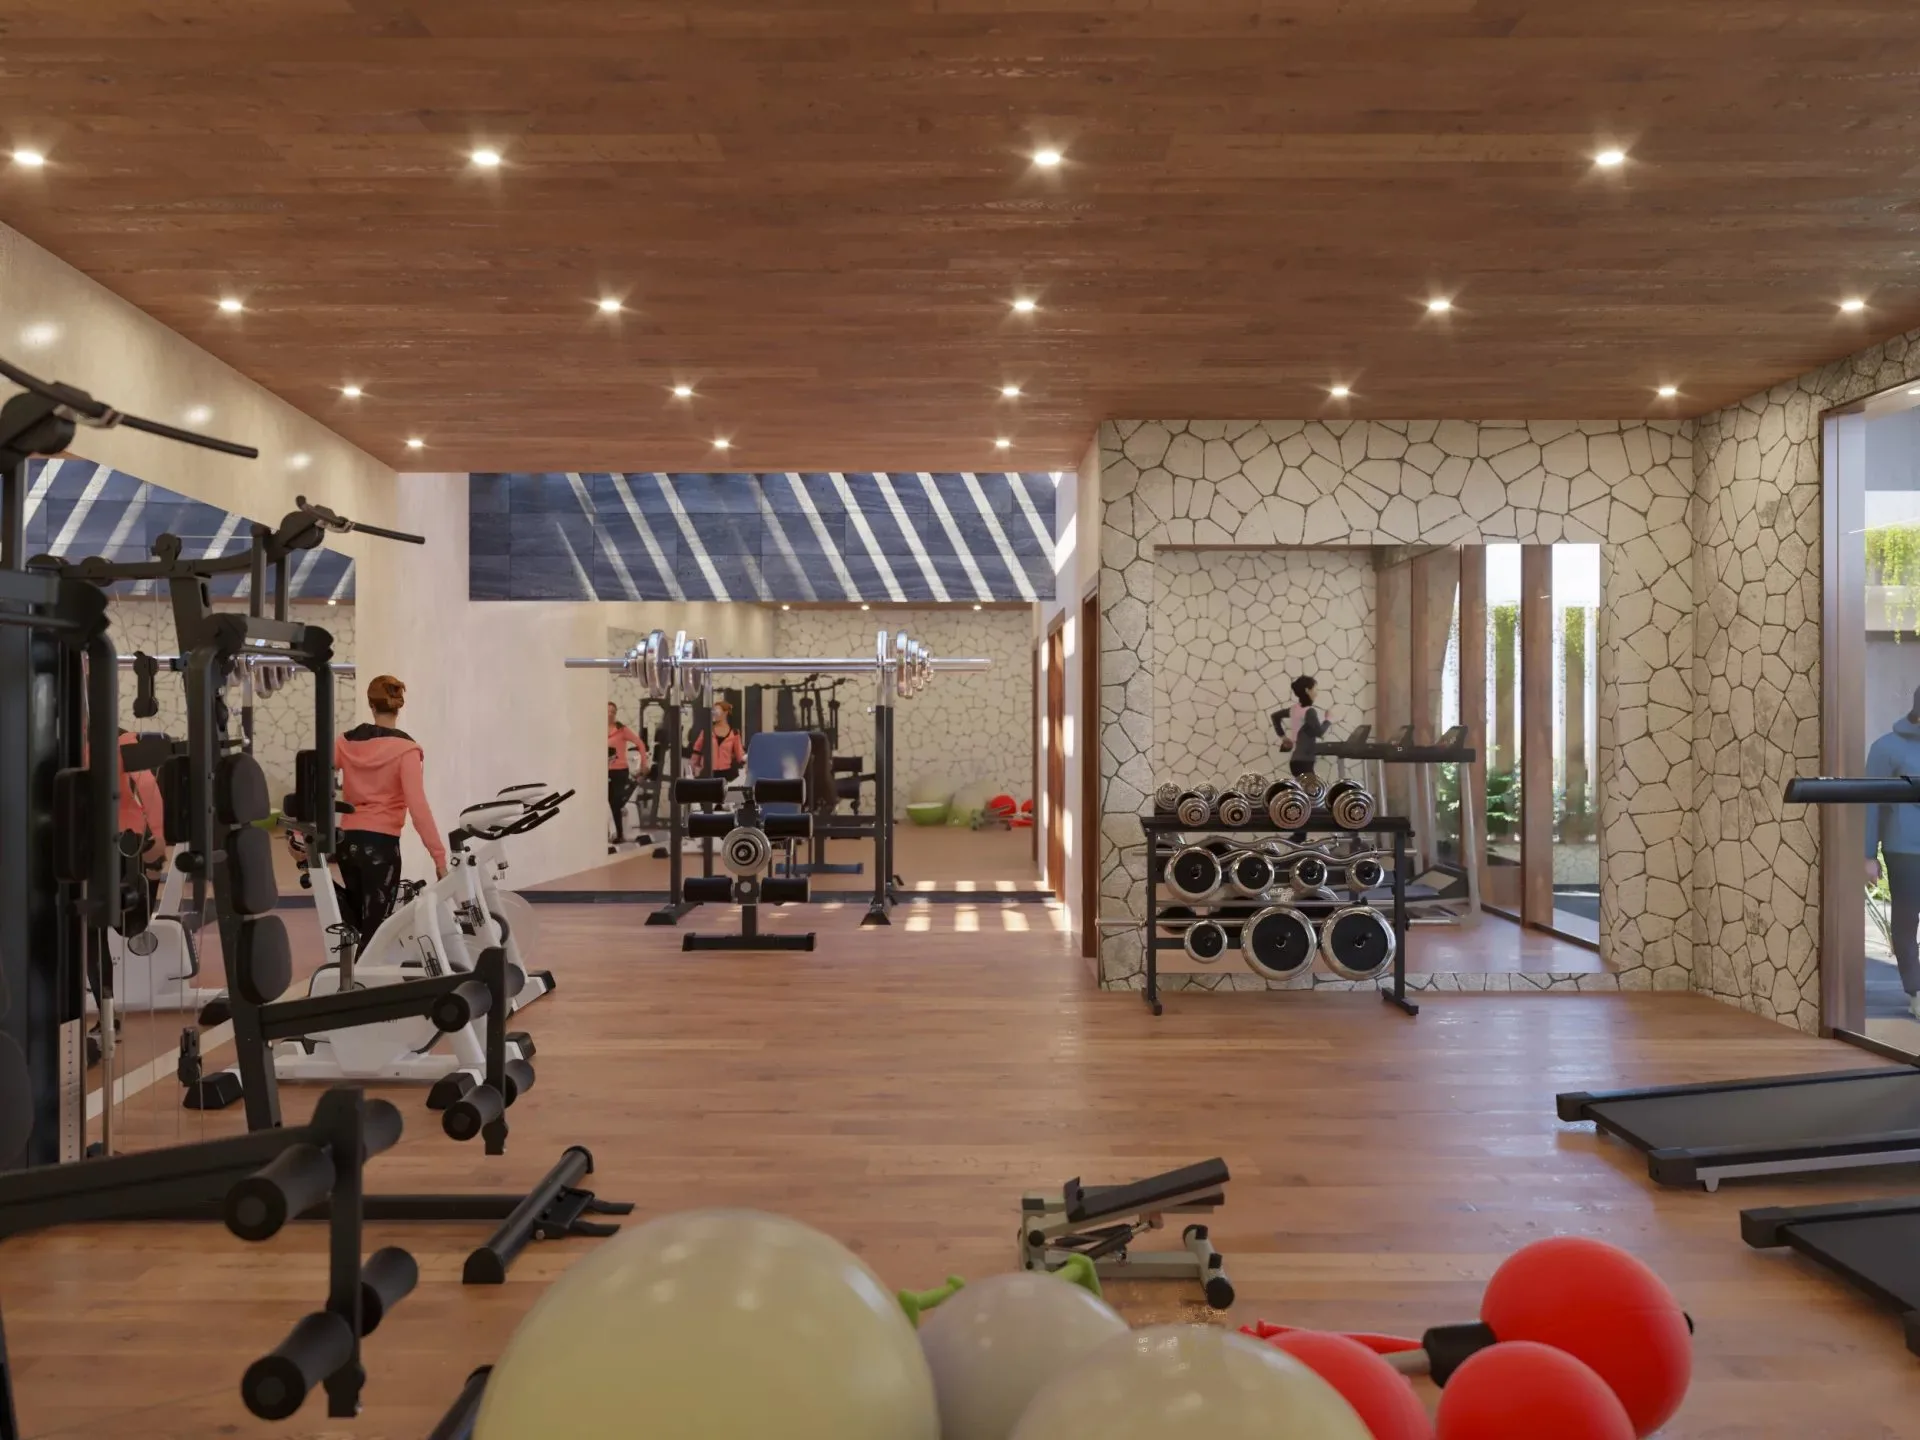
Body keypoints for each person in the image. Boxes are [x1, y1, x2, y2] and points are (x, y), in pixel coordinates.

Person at [333, 674, 446, 942]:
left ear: (371, 705)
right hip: (381, 847)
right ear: (398, 706)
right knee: (376, 934)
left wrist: (299, 835)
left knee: (358, 923)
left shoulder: (344, 743)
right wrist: (439, 859)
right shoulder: (406, 750)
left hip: (347, 842)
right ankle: (363, 968)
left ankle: (354, 967)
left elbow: (316, 784)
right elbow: (418, 808)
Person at [1866, 686, 1920, 1019]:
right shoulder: (1885, 748)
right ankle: (1916, 991)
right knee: (1906, 921)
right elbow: (1870, 804)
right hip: (1904, 851)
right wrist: (1867, 855)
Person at [607, 702, 647, 848]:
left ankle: (619, 834)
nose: (610, 714)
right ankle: (614, 833)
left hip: (620, 770)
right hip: (604, 771)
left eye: (613, 711)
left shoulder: (622, 729)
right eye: (608, 711)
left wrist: (643, 765)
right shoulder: (597, 729)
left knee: (616, 802)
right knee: (610, 802)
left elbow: (640, 744)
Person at [690, 699, 746, 780]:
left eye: (717, 711)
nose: (714, 713)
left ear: (725, 713)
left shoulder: (734, 733)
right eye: (713, 711)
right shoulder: (707, 731)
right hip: (708, 772)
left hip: (727, 774)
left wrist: (748, 762)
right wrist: (692, 770)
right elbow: (696, 751)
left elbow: (740, 755)